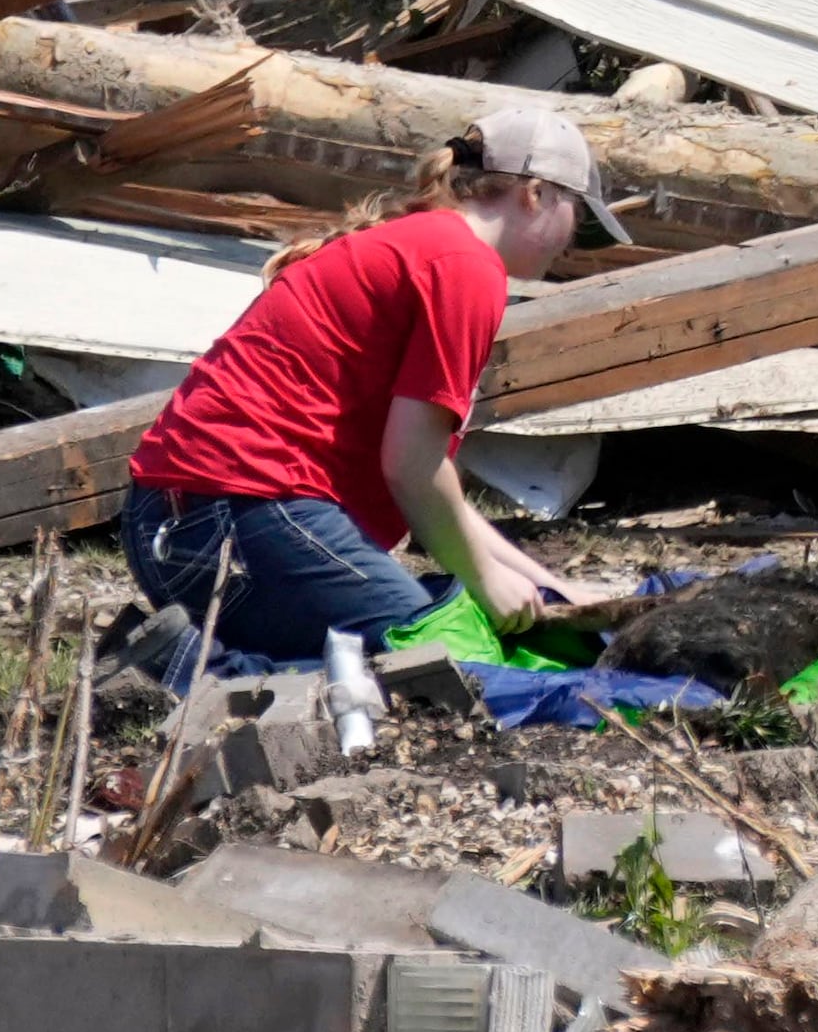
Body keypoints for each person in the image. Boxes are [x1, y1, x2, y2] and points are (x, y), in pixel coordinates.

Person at [121, 112, 599, 665]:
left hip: (178, 524)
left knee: (411, 649)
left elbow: (429, 481)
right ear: (536, 194)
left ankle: (191, 661)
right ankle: (179, 670)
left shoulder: (422, 243)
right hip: (238, 515)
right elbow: (412, 467)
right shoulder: (464, 266)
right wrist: (485, 578)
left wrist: (547, 588)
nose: (574, 237)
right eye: (577, 212)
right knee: (434, 659)